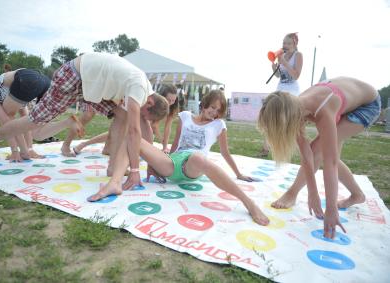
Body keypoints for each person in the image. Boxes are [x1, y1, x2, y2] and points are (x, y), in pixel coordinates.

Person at [0, 52, 169, 191]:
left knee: (122, 115)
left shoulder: (145, 91)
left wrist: (152, 160)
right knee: (35, 121)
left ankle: (112, 166)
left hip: (91, 85)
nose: (142, 116)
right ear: (150, 102)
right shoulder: (140, 89)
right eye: (145, 113)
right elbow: (135, 131)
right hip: (75, 76)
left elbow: (143, 129)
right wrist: (135, 170)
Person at [87, 90, 269, 226]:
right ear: (204, 104)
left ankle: (249, 203)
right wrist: (154, 163)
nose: (214, 112)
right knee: (132, 138)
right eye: (212, 107)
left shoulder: (218, 125)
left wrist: (238, 173)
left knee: (198, 158)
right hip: (174, 163)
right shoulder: (186, 117)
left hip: (194, 165)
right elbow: (175, 145)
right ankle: (115, 182)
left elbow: (225, 152)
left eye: (218, 110)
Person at [257, 77, 381, 238]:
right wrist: (312, 192)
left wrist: (331, 209)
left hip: (366, 105)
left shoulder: (322, 110)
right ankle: (357, 195)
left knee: (322, 152)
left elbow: (331, 162)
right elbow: (305, 153)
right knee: (320, 151)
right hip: (344, 100)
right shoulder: (294, 107)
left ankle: (292, 193)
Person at [0, 68, 51, 161]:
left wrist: (15, 151)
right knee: (28, 120)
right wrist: (29, 148)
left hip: (26, 79)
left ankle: (23, 152)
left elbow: (7, 123)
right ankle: (29, 150)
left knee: (9, 120)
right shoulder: (11, 93)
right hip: (44, 80)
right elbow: (26, 119)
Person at [258, 32, 303, 157]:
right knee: (270, 114)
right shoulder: (281, 56)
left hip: (292, 90)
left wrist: (284, 62)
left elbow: (296, 75)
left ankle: (291, 147)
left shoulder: (298, 55)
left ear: (295, 44)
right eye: (284, 43)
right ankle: (265, 148)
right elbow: (279, 76)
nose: (285, 45)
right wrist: (274, 68)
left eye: (288, 43)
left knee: (288, 120)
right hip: (280, 88)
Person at [150, 84, 178, 153]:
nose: (170, 103)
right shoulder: (155, 104)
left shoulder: (172, 107)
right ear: (162, 97)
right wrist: (162, 142)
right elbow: (154, 126)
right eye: (168, 100)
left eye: (173, 100)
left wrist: (165, 147)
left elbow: (168, 128)